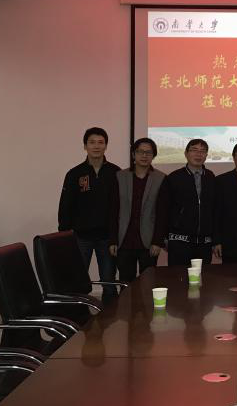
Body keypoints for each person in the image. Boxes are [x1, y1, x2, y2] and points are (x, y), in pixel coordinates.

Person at [58, 126, 120, 302]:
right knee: (78, 281)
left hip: (107, 238)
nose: (96, 146)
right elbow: (65, 206)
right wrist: (65, 235)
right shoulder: (74, 174)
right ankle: (79, 314)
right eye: (92, 142)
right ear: (85, 146)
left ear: (106, 146)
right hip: (80, 237)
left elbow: (120, 207)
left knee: (108, 281)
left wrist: (116, 237)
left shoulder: (116, 172)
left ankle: (110, 314)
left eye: (101, 142)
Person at [108, 137, 167, 283]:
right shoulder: (119, 176)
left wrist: (157, 241)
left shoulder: (161, 178)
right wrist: (113, 239)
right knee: (126, 282)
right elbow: (113, 210)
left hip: (149, 242)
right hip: (124, 240)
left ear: (153, 155)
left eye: (149, 152)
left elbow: (162, 214)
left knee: (148, 283)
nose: (144, 155)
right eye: (140, 152)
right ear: (133, 154)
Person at [160, 138, 217, 267]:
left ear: (206, 155)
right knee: (178, 277)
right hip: (179, 241)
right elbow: (164, 209)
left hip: (204, 242)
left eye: (202, 151)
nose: (198, 154)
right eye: (194, 150)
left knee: (202, 277)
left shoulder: (211, 177)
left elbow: (215, 209)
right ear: (186, 153)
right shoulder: (174, 177)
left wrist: (215, 239)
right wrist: (163, 237)